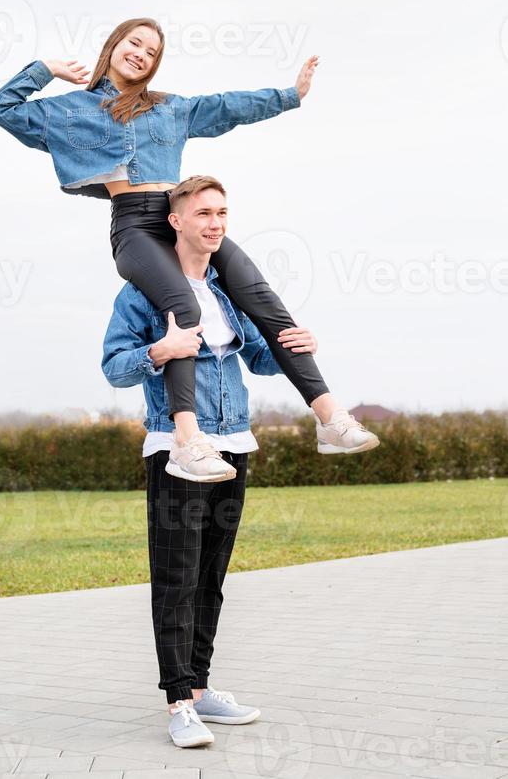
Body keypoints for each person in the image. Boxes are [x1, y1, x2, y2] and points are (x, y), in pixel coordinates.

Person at [0, 18, 379, 480]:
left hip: (180, 218)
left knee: (262, 297)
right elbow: (2, 108)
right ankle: (188, 440)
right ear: (114, 45)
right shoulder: (73, 109)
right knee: (182, 305)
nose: (141, 54)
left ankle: (330, 416)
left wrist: (289, 96)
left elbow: (226, 107)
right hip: (135, 228)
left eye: (152, 52)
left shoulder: (168, 107)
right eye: (135, 43)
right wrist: (46, 69)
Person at [101, 175, 378, 748]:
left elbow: (257, 358)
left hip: (234, 443)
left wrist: (297, 344)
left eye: (222, 213)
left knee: (210, 577)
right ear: (175, 221)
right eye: (203, 212)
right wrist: (160, 351)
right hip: (176, 449)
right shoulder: (143, 293)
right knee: (176, 578)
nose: (216, 223)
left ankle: (200, 688)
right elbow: (114, 366)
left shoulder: (226, 292)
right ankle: (178, 703)